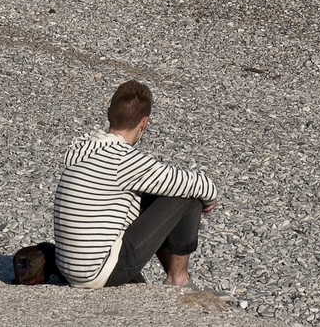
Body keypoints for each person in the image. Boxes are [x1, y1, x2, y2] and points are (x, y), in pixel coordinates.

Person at [52, 80, 219, 289]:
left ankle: (174, 277)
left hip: (68, 268)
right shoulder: (122, 159)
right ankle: (179, 280)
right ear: (143, 123)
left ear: (108, 113)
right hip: (97, 272)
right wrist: (209, 198)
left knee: (155, 192)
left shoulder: (83, 149)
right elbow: (195, 184)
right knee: (188, 197)